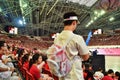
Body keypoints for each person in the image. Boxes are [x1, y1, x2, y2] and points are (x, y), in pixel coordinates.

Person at [54, 11, 90, 80]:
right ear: (74, 23)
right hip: (74, 74)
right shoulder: (77, 38)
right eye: (76, 23)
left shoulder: (56, 39)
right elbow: (86, 57)